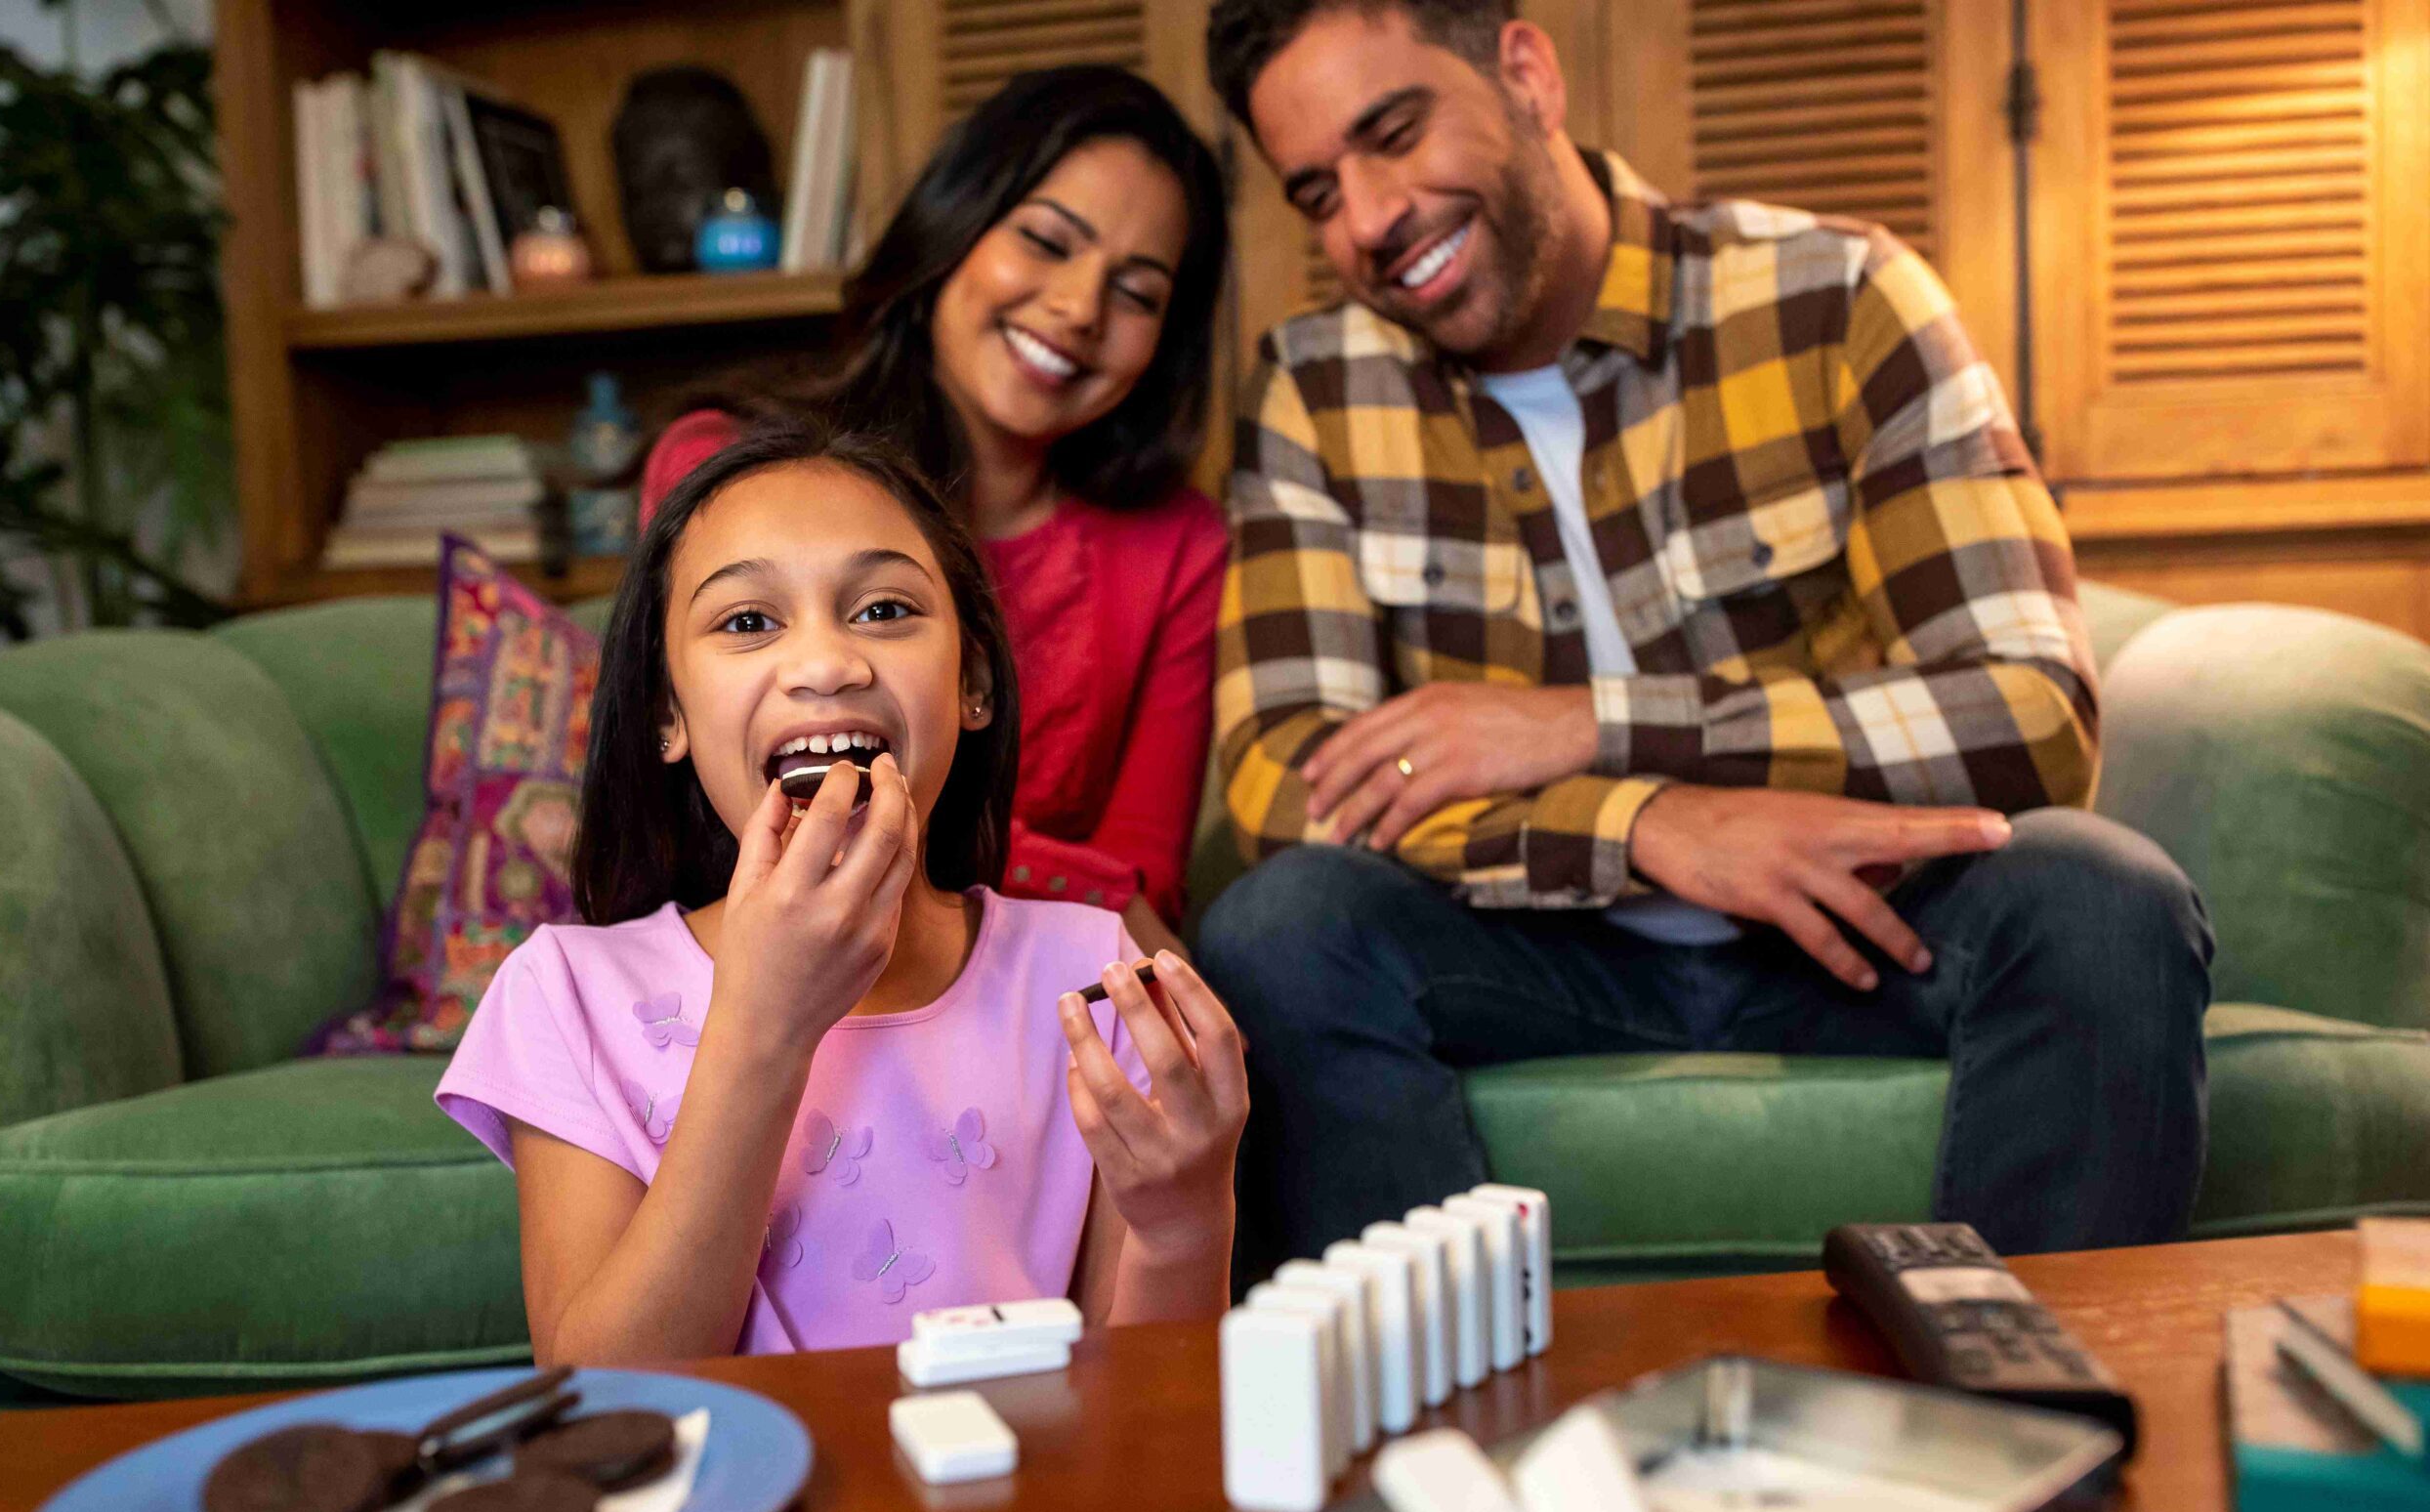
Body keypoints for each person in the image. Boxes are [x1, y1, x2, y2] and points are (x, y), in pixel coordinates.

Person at [1196, 0, 2213, 1270]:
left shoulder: (1837, 296)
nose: (1366, 218)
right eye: (1316, 192)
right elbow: (1287, 773)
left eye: (1393, 133)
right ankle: (1434, 1446)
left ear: (1525, 71)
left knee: (2103, 897)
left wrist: (1591, 727)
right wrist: (1644, 826)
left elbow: (2034, 711)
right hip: (1535, 949)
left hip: (1858, 929)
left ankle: (2027, 1428)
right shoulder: (1313, 386)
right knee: (1277, 925)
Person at [438, 413, 1248, 1360]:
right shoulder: (567, 993)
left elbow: (1149, 1423)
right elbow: (607, 1394)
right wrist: (764, 1022)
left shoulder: (1093, 976)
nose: (827, 664)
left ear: (973, 682)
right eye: (747, 622)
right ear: (667, 711)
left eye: (883, 611)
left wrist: (1185, 1222)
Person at [642, 65, 1231, 959]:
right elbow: (718, 813)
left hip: (1032, 986)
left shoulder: (1177, 543)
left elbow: (1143, 886)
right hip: (753, 957)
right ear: (953, 227)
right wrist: (1080, 886)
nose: (1078, 309)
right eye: (1044, 240)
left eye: (1137, 292)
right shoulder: (722, 471)